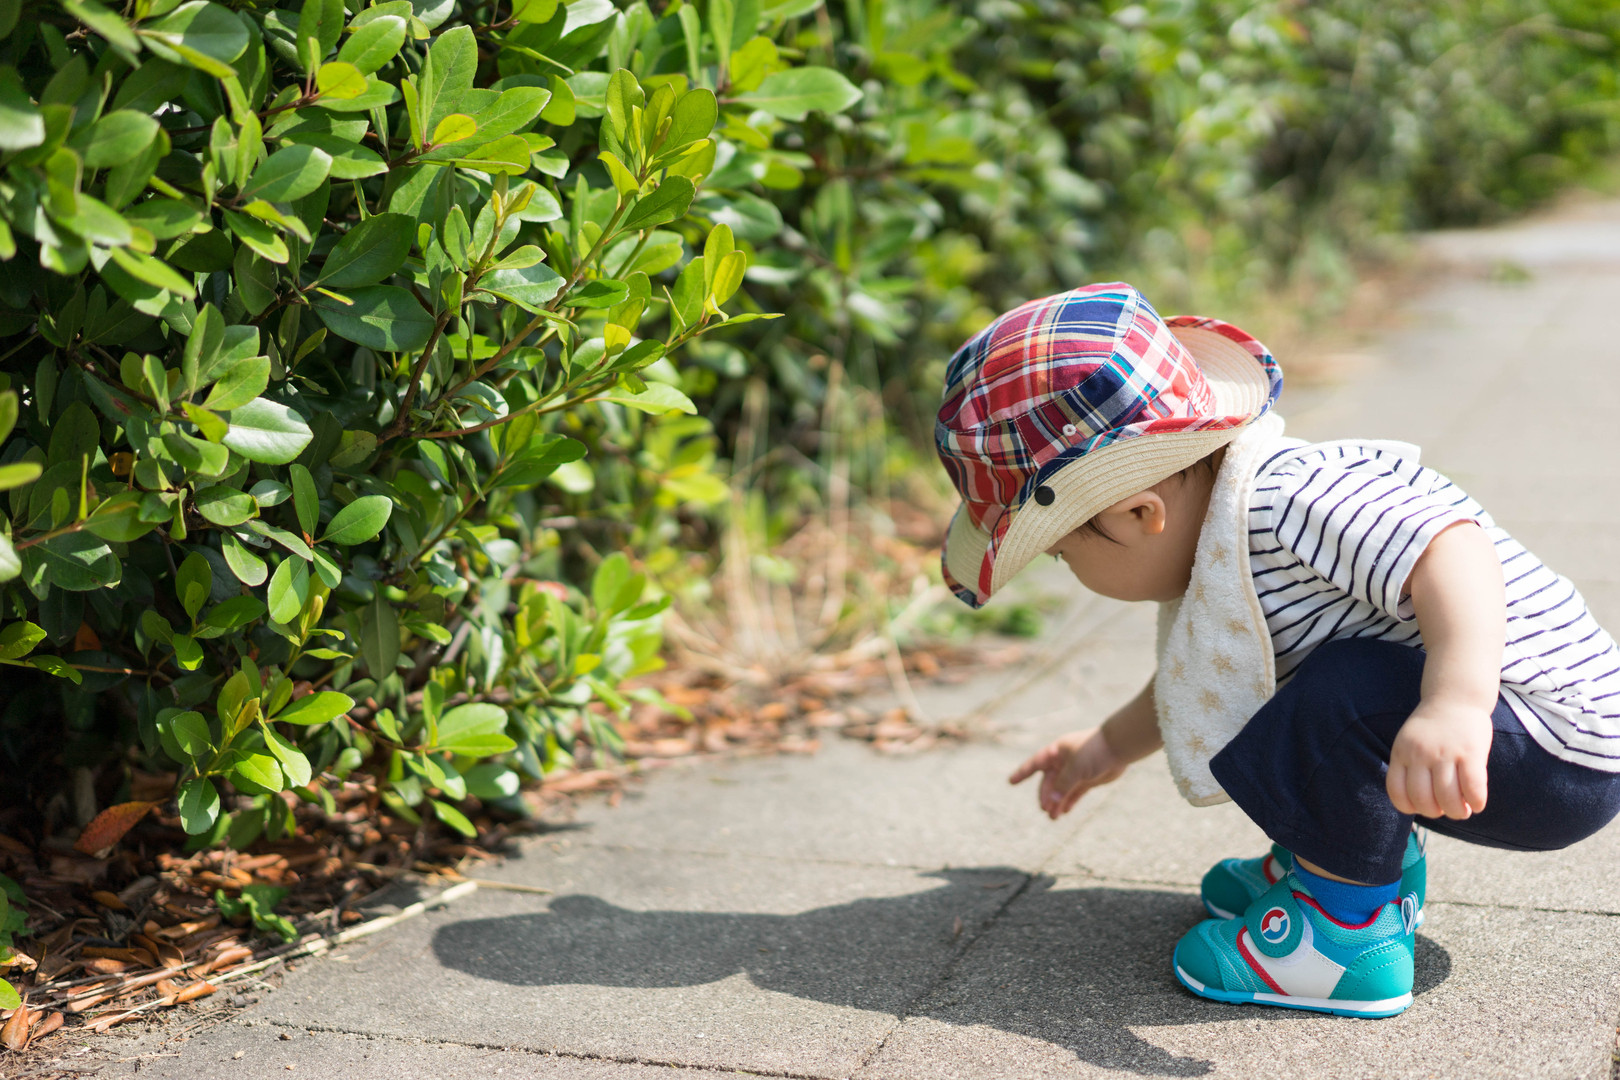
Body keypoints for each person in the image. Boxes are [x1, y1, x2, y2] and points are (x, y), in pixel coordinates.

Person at [934, 282, 1620, 1017]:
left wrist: (1456, 703)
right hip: (1514, 738)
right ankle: (1348, 861)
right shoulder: (1223, 535)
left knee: (1344, 686)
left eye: (1063, 553)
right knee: (1325, 679)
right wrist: (1105, 746)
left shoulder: (1287, 500)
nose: (1068, 569)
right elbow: (1198, 673)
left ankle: (1342, 937)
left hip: (1552, 743)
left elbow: (1453, 548)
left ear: (1139, 513)